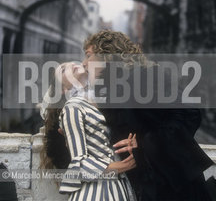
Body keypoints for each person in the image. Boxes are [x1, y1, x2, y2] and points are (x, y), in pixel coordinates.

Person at [81, 30, 214, 201]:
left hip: (175, 185)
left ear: (106, 55)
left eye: (88, 56)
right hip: (145, 187)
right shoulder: (109, 91)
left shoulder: (145, 76)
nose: (84, 63)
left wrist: (144, 143)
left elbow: (189, 114)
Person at [40, 61, 137, 200]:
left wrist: (132, 142)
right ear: (62, 89)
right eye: (62, 70)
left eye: (72, 62)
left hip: (117, 185)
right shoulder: (72, 108)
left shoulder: (103, 102)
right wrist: (122, 166)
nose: (71, 64)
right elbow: (79, 165)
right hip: (94, 191)